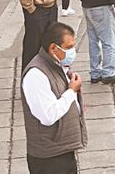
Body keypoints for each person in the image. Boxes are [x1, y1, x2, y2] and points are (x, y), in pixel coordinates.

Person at [21, 22, 87, 174]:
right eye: (69, 47)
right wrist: (71, 91)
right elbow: (48, 116)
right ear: (53, 48)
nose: (73, 51)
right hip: (49, 157)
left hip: (63, 150)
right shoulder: (36, 75)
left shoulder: (56, 65)